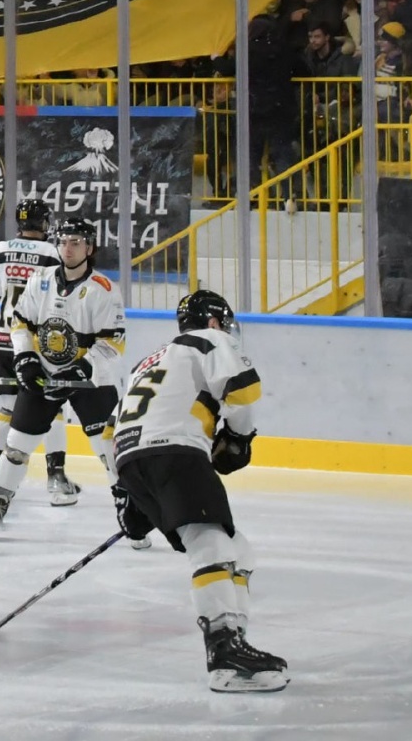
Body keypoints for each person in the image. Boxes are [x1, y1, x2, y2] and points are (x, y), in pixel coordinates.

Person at [111, 290, 288, 693]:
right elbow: (240, 392)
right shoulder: (211, 340)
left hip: (132, 458)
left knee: (236, 547)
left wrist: (130, 495)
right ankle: (223, 653)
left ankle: (236, 641)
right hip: (173, 451)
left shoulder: (148, 361)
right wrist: (239, 440)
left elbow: (112, 427)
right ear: (213, 322)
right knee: (208, 542)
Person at [0, 218, 127, 538]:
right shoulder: (40, 279)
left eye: (75, 242)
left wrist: (84, 366)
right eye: (63, 242)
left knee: (108, 448)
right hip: (45, 374)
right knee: (17, 445)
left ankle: (129, 504)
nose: (68, 248)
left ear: (89, 247)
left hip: (91, 379)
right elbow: (21, 324)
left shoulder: (103, 289)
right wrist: (26, 358)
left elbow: (114, 341)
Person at [0, 198, 72, 499]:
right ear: (44, 222)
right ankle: (56, 476)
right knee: (53, 406)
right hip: (38, 343)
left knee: (8, 409)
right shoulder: (54, 253)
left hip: (4, 339)